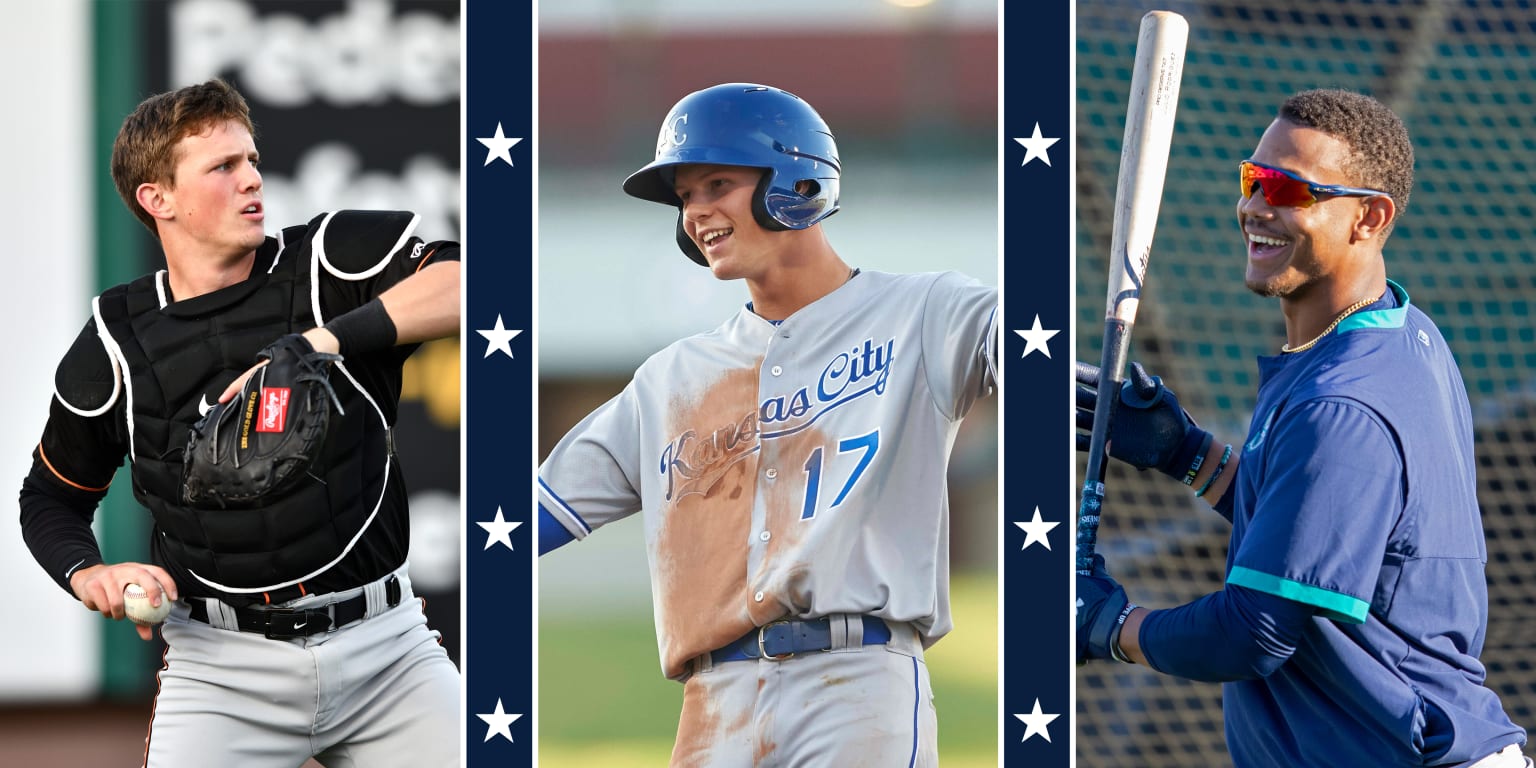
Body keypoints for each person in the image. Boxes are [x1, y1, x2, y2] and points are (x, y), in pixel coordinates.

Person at [537, 82, 997, 766]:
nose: (698, 211)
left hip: (856, 682)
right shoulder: (672, 378)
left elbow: (1032, 351)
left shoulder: (926, 311)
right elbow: (528, 518)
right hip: (712, 701)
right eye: (686, 196)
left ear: (798, 179)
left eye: (717, 182)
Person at [1075, 89, 1530, 767]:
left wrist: (1112, 627)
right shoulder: (1398, 332)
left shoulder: (1341, 404)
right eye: (1253, 180)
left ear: (1369, 218)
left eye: (1289, 189)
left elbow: (1253, 632)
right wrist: (1190, 456)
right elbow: (1319, 532)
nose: (1256, 207)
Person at [17, 79, 461, 766]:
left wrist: (318, 343)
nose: (252, 179)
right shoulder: (116, 341)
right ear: (157, 199)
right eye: (222, 168)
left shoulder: (324, 264)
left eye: (251, 160)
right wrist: (88, 573)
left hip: (387, 653)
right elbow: (48, 499)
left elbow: (473, 283)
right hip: (223, 670)